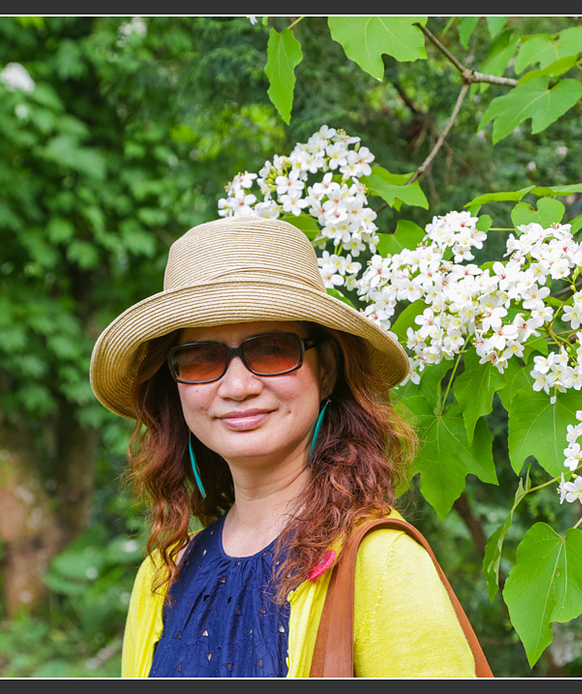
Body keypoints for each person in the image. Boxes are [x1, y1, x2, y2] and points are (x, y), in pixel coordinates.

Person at [89, 217, 482, 677]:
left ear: (327, 369)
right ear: (174, 386)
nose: (236, 386)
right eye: (200, 359)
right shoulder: (162, 577)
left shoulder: (382, 565)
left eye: (271, 350)